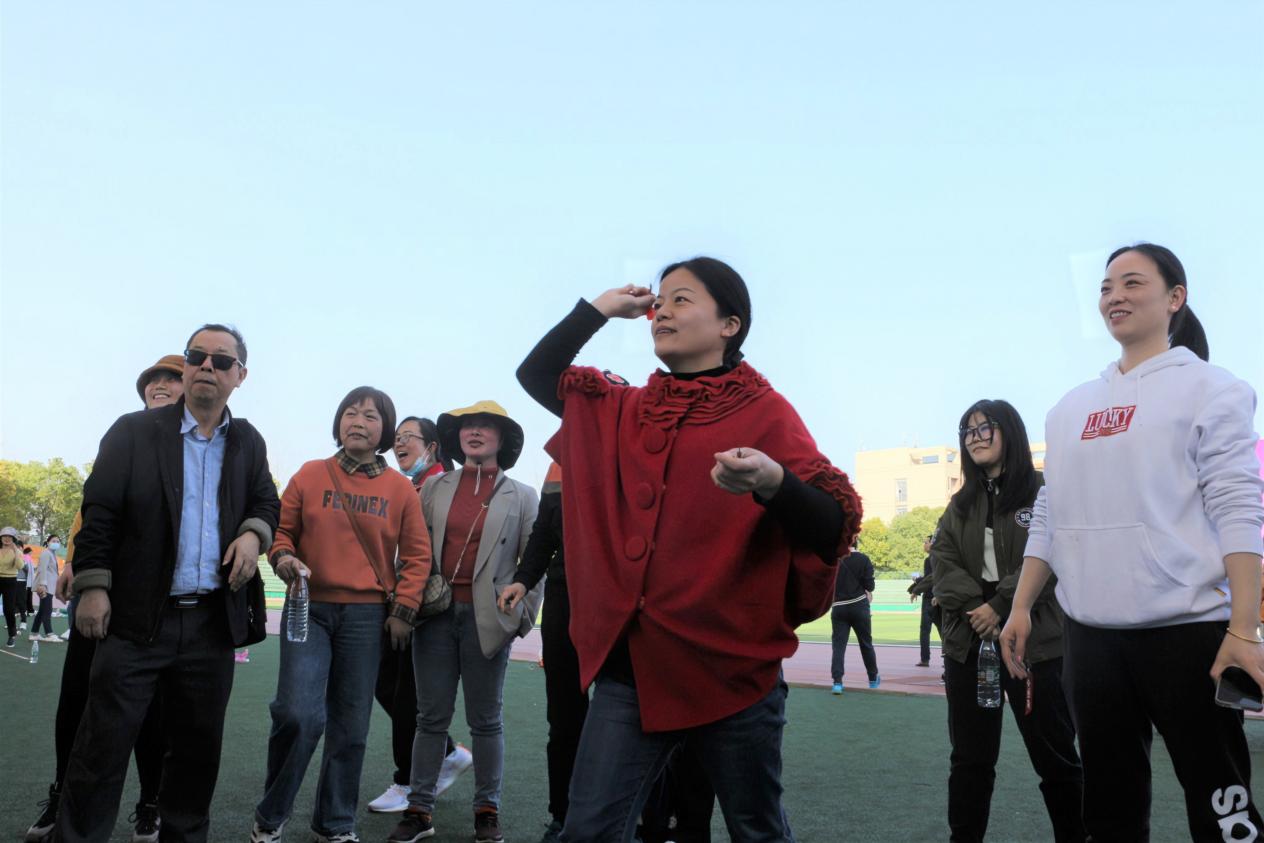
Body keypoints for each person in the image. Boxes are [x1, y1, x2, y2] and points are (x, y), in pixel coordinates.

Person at [516, 257, 862, 842]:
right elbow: (538, 373)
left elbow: (832, 525)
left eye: (682, 299)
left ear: (730, 324)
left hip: (735, 671)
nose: (661, 311)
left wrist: (774, 481)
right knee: (588, 831)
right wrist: (600, 309)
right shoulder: (624, 409)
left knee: (757, 832)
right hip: (633, 670)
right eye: (660, 301)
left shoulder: (765, 411)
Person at [1000, 243, 1264, 841]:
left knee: (1223, 807)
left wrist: (1244, 628)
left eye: (1133, 282)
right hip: (1091, 640)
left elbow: (1238, 509)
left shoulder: (1213, 389)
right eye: (1105, 286)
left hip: (1189, 635)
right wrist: (1021, 605)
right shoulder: (1068, 410)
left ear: (1175, 298)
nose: (1114, 296)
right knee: (1110, 812)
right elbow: (1051, 512)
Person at [55, 325, 279, 842]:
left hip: (211, 626)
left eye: (221, 360)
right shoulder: (133, 431)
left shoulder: (248, 441)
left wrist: (253, 534)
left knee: (196, 759)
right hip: (134, 620)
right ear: (187, 365)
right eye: (196, 356)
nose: (207, 366)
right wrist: (94, 587)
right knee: (100, 750)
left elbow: (266, 501)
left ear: (240, 375)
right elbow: (100, 512)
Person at [251, 386, 431, 843]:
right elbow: (282, 532)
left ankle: (334, 823)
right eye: (350, 413)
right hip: (307, 607)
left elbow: (417, 556)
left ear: (384, 430)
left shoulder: (400, 490)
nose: (358, 422)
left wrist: (404, 610)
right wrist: (283, 558)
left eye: (370, 416)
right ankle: (270, 817)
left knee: (351, 727)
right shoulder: (310, 474)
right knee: (297, 714)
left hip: (367, 617)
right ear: (338, 422)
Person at [24, 353, 186, 843]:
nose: (160, 385)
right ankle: (62, 794)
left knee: (153, 710)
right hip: (100, 592)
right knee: (77, 698)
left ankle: (151, 803)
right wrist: (75, 562)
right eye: (153, 380)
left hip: (157, 602)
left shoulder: (201, 448)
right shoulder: (125, 433)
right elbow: (94, 507)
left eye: (172, 378)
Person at [388, 401, 541, 843]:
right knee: (429, 718)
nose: (474, 432)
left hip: (488, 620)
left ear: (502, 439)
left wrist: (521, 617)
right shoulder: (434, 488)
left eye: (485, 427)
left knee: (486, 720)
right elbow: (411, 548)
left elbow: (534, 562)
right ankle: (419, 810)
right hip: (434, 617)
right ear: (457, 438)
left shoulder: (523, 495)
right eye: (468, 426)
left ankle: (487, 811)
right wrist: (405, 602)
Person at [932, 399, 1084, 843]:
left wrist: (1001, 604)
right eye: (968, 431)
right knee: (970, 761)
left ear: (1009, 432)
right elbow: (942, 562)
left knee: (1056, 758)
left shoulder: (1042, 491)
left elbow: (1052, 554)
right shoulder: (959, 505)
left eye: (985, 428)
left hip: (1035, 646)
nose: (975, 438)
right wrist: (978, 610)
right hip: (970, 645)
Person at [368, 416, 471, 814]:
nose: (399, 444)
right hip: (397, 603)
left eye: (408, 437)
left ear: (432, 446)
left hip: (424, 607)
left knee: (407, 693)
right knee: (386, 686)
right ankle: (446, 752)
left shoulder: (441, 485)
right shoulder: (406, 486)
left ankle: (407, 781)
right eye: (396, 438)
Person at [830, 542, 880, 693]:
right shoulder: (863, 559)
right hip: (859, 605)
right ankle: (872, 679)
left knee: (838, 646)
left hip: (838, 607)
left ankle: (837, 682)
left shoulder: (834, 560)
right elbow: (870, 586)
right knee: (866, 643)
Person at [907, 534, 940, 666]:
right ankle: (948, 659)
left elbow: (929, 578)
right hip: (940, 597)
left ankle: (925, 659)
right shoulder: (941, 559)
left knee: (925, 630)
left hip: (929, 598)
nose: (924, 545)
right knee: (943, 630)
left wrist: (916, 583)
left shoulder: (929, 560)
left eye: (926, 542)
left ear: (933, 544)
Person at [28, 536, 61, 641]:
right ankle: (49, 634)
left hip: (49, 586)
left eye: (58, 541)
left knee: (43, 610)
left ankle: (34, 633)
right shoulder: (46, 553)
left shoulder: (52, 554)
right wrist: (43, 585)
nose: (56, 543)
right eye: (53, 541)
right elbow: (42, 569)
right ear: (48, 542)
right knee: (47, 609)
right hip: (45, 586)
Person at [1, 526, 23, 647]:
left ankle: (12, 635)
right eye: (4, 536)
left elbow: (20, 566)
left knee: (8, 609)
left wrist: (15, 551)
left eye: (9, 536)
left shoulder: (17, 551)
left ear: (13, 538)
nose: (6, 538)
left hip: (10, 581)